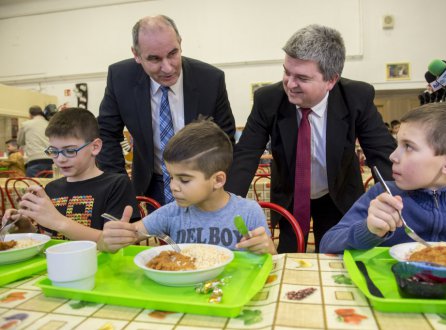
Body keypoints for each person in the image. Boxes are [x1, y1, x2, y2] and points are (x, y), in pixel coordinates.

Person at [225, 25, 396, 253]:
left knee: (335, 256)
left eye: (302, 78)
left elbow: (381, 154)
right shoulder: (268, 99)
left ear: (331, 80)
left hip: (338, 196)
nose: (290, 83)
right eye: (287, 72)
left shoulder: (356, 97)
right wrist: (225, 205)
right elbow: (245, 155)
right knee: (289, 254)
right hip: (290, 196)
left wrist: (397, 201)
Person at [320, 102, 446, 254]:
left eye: (409, 147)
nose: (393, 157)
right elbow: (327, 245)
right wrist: (368, 230)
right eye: (397, 145)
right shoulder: (382, 195)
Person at [97, 15, 236, 207]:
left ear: (180, 43)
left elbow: (226, 139)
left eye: (173, 53)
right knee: (160, 237)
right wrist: (120, 186)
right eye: (154, 59)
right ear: (136, 55)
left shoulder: (210, 80)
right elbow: (106, 133)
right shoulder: (120, 78)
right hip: (151, 183)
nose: (167, 67)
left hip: (202, 184)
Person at [98, 120, 276, 255]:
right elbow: (131, 234)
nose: (173, 187)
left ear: (218, 180)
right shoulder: (171, 213)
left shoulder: (248, 212)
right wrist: (111, 240)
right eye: (171, 177)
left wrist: (266, 248)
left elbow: (271, 259)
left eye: (184, 180)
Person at [2, 108, 140, 241]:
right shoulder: (51, 188)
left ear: (95, 147)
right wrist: (27, 227)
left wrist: (58, 221)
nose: (60, 159)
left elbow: (113, 241)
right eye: (54, 151)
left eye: (70, 151)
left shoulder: (116, 184)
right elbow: (50, 238)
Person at [17, 105, 53, 177]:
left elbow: (19, 142)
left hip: (35, 160)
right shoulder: (49, 124)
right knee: (48, 186)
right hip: (50, 160)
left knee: (33, 185)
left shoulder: (26, 124)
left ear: (30, 115)